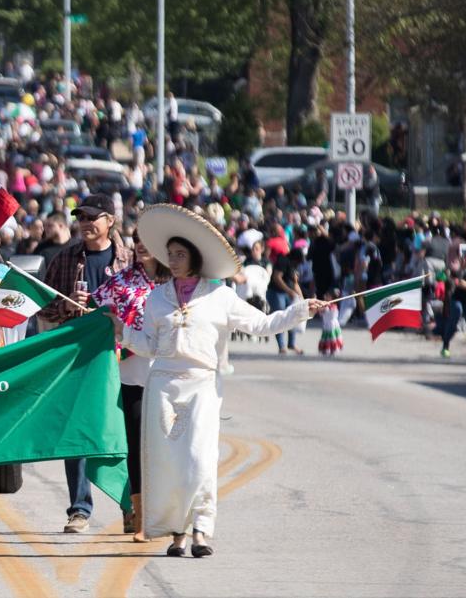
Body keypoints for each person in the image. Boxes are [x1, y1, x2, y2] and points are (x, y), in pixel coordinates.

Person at [120, 204, 327, 558]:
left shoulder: (220, 296)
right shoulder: (156, 298)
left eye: (180, 254)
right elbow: (149, 344)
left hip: (201, 385)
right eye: (169, 254)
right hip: (163, 386)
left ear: (195, 258)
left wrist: (299, 310)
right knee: (167, 462)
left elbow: (262, 324)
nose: (173, 260)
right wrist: (121, 331)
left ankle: (202, 528)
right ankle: (178, 533)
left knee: (199, 458)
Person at [32, 193, 132, 534]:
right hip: (77, 357)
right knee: (76, 433)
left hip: (121, 357)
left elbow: (147, 305)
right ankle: (79, 509)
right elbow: (44, 306)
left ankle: (131, 507)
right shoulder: (65, 258)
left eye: (93, 217)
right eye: (81, 217)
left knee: (123, 433)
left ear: (110, 221)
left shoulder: (129, 260)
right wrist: (66, 307)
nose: (86, 223)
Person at [91, 236, 169, 542]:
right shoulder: (120, 282)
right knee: (136, 448)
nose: (142, 244)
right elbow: (95, 311)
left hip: (168, 377)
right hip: (130, 377)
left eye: (150, 239)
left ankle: (167, 513)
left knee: (165, 447)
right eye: (137, 239)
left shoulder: (176, 285)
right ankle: (139, 518)